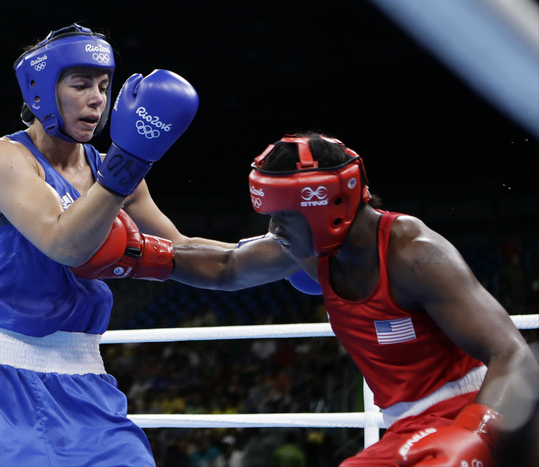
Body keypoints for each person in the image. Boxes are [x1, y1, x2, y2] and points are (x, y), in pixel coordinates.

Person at [0, 24, 232, 466]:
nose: (97, 99)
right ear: (41, 90)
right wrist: (126, 167)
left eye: (105, 87)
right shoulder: (2, 158)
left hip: (85, 381)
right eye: (81, 84)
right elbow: (64, 243)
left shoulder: (114, 172)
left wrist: (291, 251)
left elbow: (186, 252)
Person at [164, 133, 539, 466]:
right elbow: (227, 266)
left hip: (479, 410)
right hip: (405, 430)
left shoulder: (414, 255)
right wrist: (135, 256)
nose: (273, 229)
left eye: (283, 216)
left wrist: (475, 436)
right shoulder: (307, 248)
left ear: (326, 207)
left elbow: (514, 355)